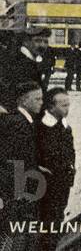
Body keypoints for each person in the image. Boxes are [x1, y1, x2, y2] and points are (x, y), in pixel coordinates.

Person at [0, 82, 45, 250]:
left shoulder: (25, 120)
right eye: (37, 99)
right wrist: (20, 192)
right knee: (17, 236)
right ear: (25, 101)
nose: (42, 102)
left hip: (23, 185)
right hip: (19, 190)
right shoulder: (17, 123)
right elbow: (11, 158)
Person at [36, 87, 75, 251]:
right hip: (47, 184)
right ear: (51, 107)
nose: (67, 109)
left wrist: (72, 170)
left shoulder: (65, 126)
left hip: (63, 182)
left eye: (68, 104)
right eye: (63, 105)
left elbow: (71, 151)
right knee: (47, 220)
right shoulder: (41, 128)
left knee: (57, 217)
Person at [3, 29, 47, 110]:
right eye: (38, 41)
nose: (42, 45)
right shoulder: (17, 62)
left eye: (45, 42)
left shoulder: (31, 61)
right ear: (26, 42)